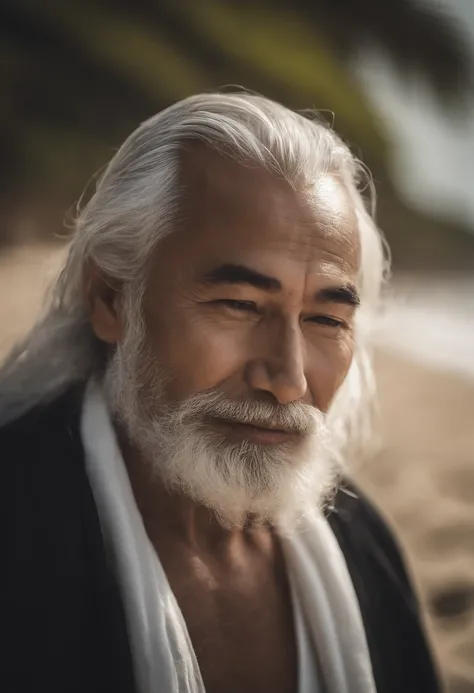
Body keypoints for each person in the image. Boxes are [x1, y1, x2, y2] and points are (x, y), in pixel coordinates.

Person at [0, 92, 440, 693]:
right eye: (239, 305)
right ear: (110, 299)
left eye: (326, 319)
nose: (287, 379)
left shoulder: (365, 547)